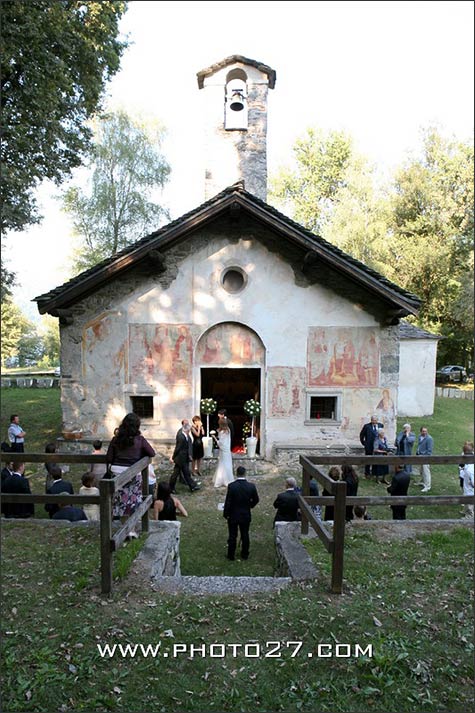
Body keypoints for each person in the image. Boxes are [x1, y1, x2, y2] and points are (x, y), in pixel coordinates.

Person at [107, 413, 156, 537]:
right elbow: (151, 453)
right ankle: (132, 530)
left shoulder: (116, 439)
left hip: (117, 474)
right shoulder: (139, 440)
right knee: (133, 502)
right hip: (133, 472)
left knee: (121, 502)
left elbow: (109, 457)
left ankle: (125, 530)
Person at [223, 466, 259, 561]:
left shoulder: (232, 486)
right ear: (245, 474)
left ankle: (231, 555)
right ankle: (245, 554)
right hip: (245, 513)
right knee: (245, 534)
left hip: (233, 514)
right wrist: (250, 506)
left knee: (232, 535)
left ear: (236, 473)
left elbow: (228, 501)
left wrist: (226, 513)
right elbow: (256, 499)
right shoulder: (251, 486)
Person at [169, 419, 201, 494]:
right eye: (189, 430)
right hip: (180, 458)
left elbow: (188, 445)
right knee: (177, 473)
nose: (189, 431)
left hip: (184, 457)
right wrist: (173, 457)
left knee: (185, 473)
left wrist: (189, 455)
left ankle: (192, 486)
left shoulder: (186, 435)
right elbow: (177, 448)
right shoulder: (181, 436)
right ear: (186, 430)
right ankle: (171, 487)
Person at [213, 417, 234, 488]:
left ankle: (221, 480)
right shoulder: (228, 430)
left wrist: (214, 437)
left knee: (222, 465)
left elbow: (220, 443)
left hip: (223, 450)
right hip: (227, 450)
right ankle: (228, 479)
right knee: (227, 464)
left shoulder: (222, 432)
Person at [416, 426, 434, 492]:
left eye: (425, 431)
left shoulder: (429, 439)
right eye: (423, 431)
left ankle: (428, 486)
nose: (424, 432)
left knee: (426, 471)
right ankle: (423, 482)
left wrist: (425, 457)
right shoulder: (419, 436)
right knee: (421, 470)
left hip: (425, 457)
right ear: (420, 431)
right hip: (420, 456)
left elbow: (429, 450)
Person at [461, 442, 474, 519]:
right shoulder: (468, 464)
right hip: (466, 487)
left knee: (470, 504)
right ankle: (465, 511)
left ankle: (469, 517)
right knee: (466, 500)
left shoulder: (470, 469)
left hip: (470, 489)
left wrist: (471, 483)